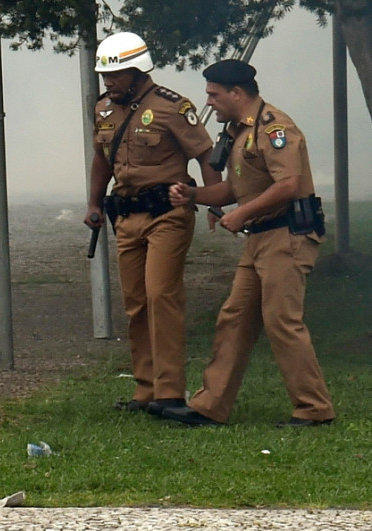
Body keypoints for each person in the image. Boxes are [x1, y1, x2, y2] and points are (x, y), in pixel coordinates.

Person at [162, 59, 334, 427]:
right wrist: (194, 195)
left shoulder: (275, 128)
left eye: (214, 94)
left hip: (286, 235)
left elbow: (288, 185)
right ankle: (210, 406)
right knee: (234, 318)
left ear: (236, 93)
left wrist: (239, 214)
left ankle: (313, 409)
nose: (209, 102)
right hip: (260, 238)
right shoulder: (240, 131)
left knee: (282, 321)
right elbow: (237, 187)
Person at [83, 32, 222, 415]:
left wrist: (215, 202)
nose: (108, 84)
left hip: (167, 213)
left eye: (115, 76)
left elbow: (205, 155)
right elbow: (101, 157)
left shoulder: (172, 107)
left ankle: (170, 392)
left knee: (162, 295)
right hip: (126, 215)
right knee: (136, 303)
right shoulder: (104, 109)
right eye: (105, 77)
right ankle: (145, 390)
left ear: (137, 71)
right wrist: (94, 201)